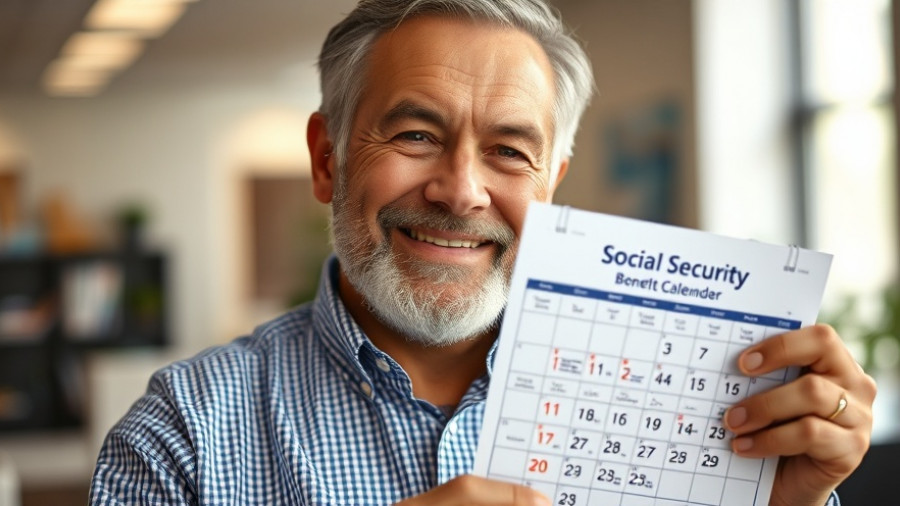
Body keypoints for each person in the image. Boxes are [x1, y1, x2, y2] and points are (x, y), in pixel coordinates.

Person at [89, 0, 876, 504]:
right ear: (328, 159)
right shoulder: (181, 435)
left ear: (551, 187)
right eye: (416, 135)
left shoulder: (702, 409)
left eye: (508, 152)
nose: (461, 191)